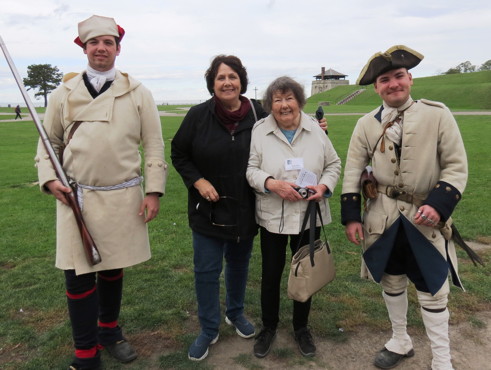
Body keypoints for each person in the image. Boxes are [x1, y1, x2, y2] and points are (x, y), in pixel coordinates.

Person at [34, 15, 167, 370]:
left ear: (117, 49)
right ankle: (85, 350)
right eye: (94, 43)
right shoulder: (64, 94)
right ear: (84, 48)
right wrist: (49, 180)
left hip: (122, 196)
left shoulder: (138, 93)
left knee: (112, 267)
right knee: (77, 274)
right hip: (76, 196)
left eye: (108, 42)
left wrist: (153, 191)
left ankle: (109, 331)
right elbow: (49, 143)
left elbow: (153, 144)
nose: (101, 48)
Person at [341, 45, 468, 370]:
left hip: (425, 220)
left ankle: (442, 359)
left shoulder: (437, 114)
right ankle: (400, 340)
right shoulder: (366, 124)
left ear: (409, 78)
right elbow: (353, 170)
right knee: (392, 281)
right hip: (382, 219)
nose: (393, 84)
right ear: (376, 87)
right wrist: (352, 217)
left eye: (398, 76)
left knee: (433, 291)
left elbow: (456, 166)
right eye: (385, 80)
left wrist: (439, 206)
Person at [171, 55, 269, 361]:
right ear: (212, 83)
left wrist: (316, 126)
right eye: (220, 78)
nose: (227, 82)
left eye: (233, 77)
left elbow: (289, 131)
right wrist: (198, 181)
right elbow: (179, 153)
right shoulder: (198, 115)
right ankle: (209, 328)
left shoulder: (259, 113)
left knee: (239, 264)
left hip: (246, 207)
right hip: (208, 208)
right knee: (207, 271)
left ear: (242, 81)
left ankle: (235, 313)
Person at [246, 76, 341, 358]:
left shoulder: (316, 129)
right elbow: (251, 169)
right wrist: (271, 183)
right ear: (270, 105)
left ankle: (301, 327)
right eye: (277, 100)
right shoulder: (259, 131)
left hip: (308, 215)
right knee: (271, 274)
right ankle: (269, 327)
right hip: (273, 216)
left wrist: (323, 186)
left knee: (306, 272)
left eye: (289, 98)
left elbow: (333, 164)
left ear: (299, 101)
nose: (284, 105)